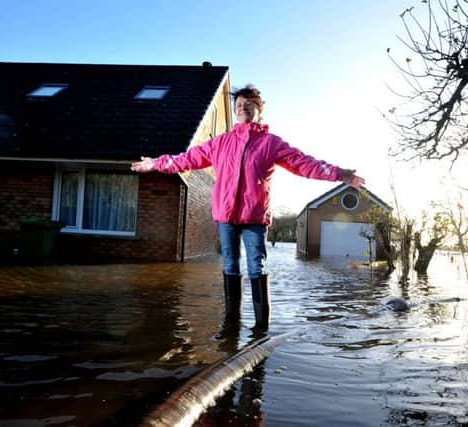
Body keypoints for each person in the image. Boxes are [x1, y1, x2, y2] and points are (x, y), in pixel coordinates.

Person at [131, 84, 365, 330]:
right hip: (225, 215)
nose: (243, 108)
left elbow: (304, 163)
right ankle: (231, 322)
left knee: (257, 265)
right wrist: (157, 163)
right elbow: (186, 159)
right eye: (239, 106)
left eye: (248, 105)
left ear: (259, 110)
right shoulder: (220, 143)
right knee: (230, 264)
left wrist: (341, 174)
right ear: (235, 111)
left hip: (254, 216)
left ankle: (260, 327)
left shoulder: (271, 143)